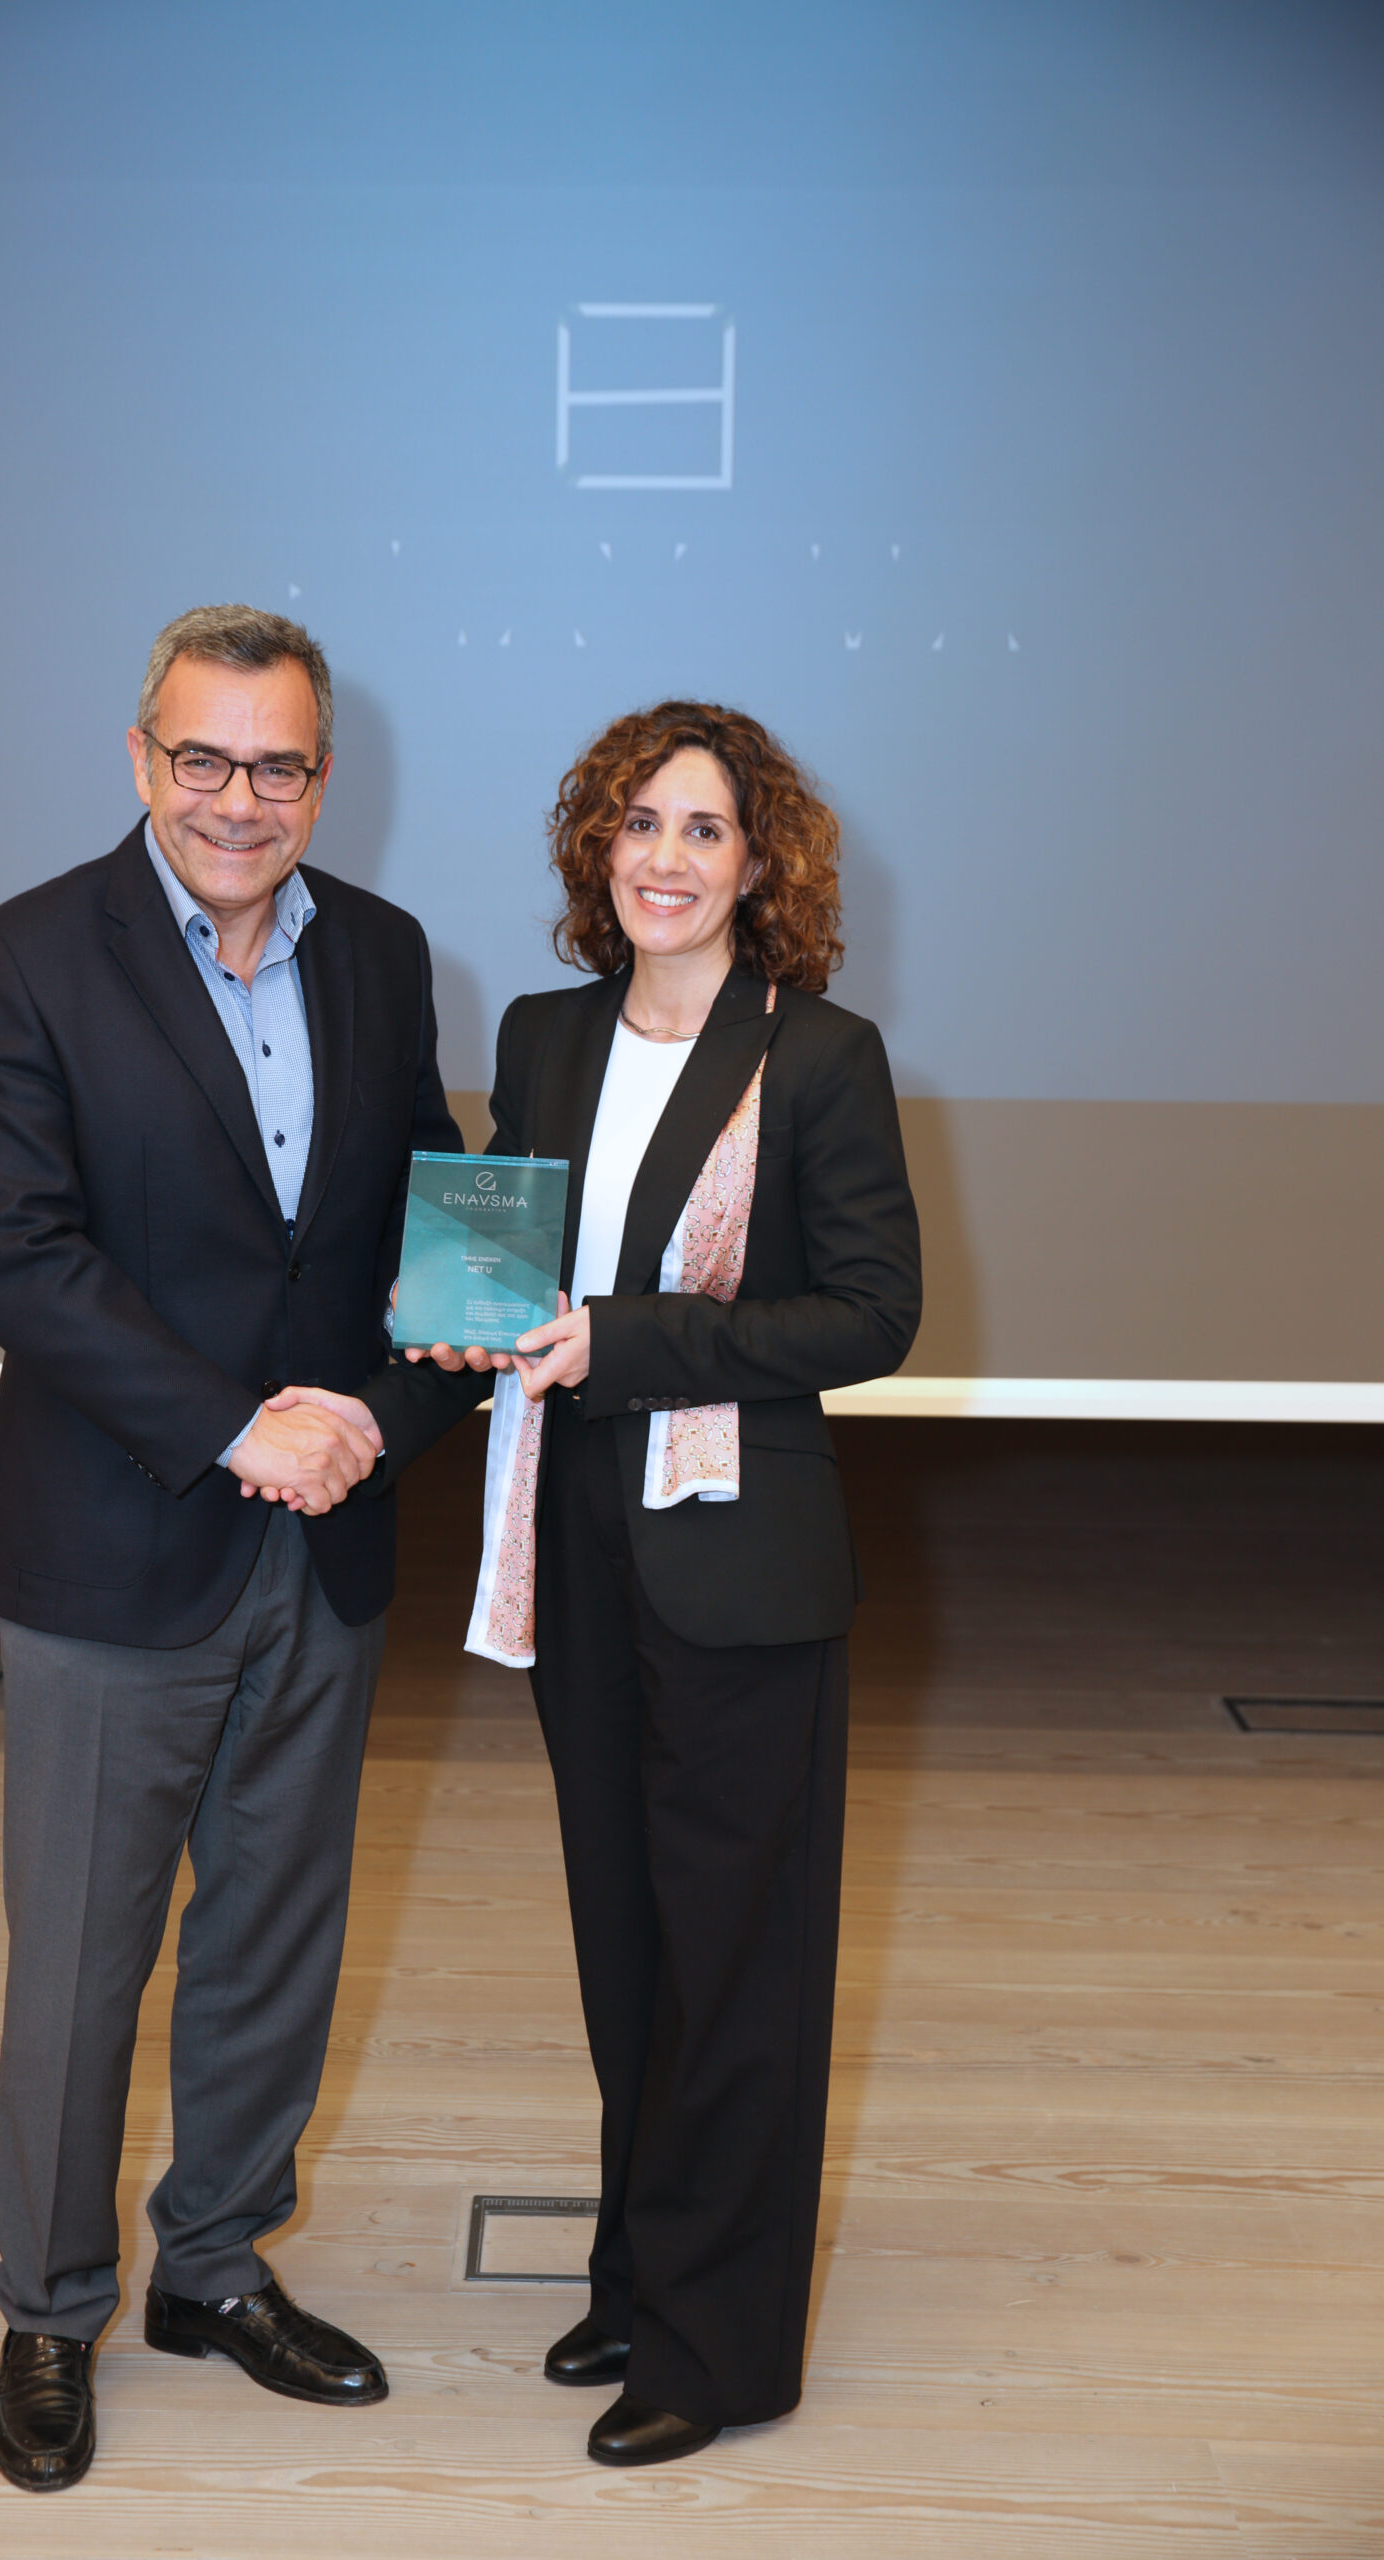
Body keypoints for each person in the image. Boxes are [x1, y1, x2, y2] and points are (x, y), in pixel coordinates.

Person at [0, 605, 457, 2492]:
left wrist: (387, 1413)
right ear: (143, 756)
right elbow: (20, 1259)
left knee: (274, 1934)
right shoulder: (20, 959)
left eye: (279, 764)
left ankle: (216, 2266)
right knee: (84, 1963)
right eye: (204, 757)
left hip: (323, 1543)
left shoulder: (382, 953)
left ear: (324, 775)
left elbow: (420, 1221)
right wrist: (245, 1428)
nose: (241, 799)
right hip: (119, 1542)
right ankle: (50, 2305)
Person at [363, 701, 921, 2466]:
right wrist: (454, 1312)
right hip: (573, 1544)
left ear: (760, 867)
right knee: (628, 1937)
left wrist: (629, 1340)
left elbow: (873, 1316)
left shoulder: (818, 1055)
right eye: (638, 823)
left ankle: (722, 2347)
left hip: (743, 1564)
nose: (664, 858)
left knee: (739, 1958)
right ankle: (638, 2271)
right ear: (597, 849)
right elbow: (511, 1250)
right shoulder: (545, 1036)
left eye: (703, 828)